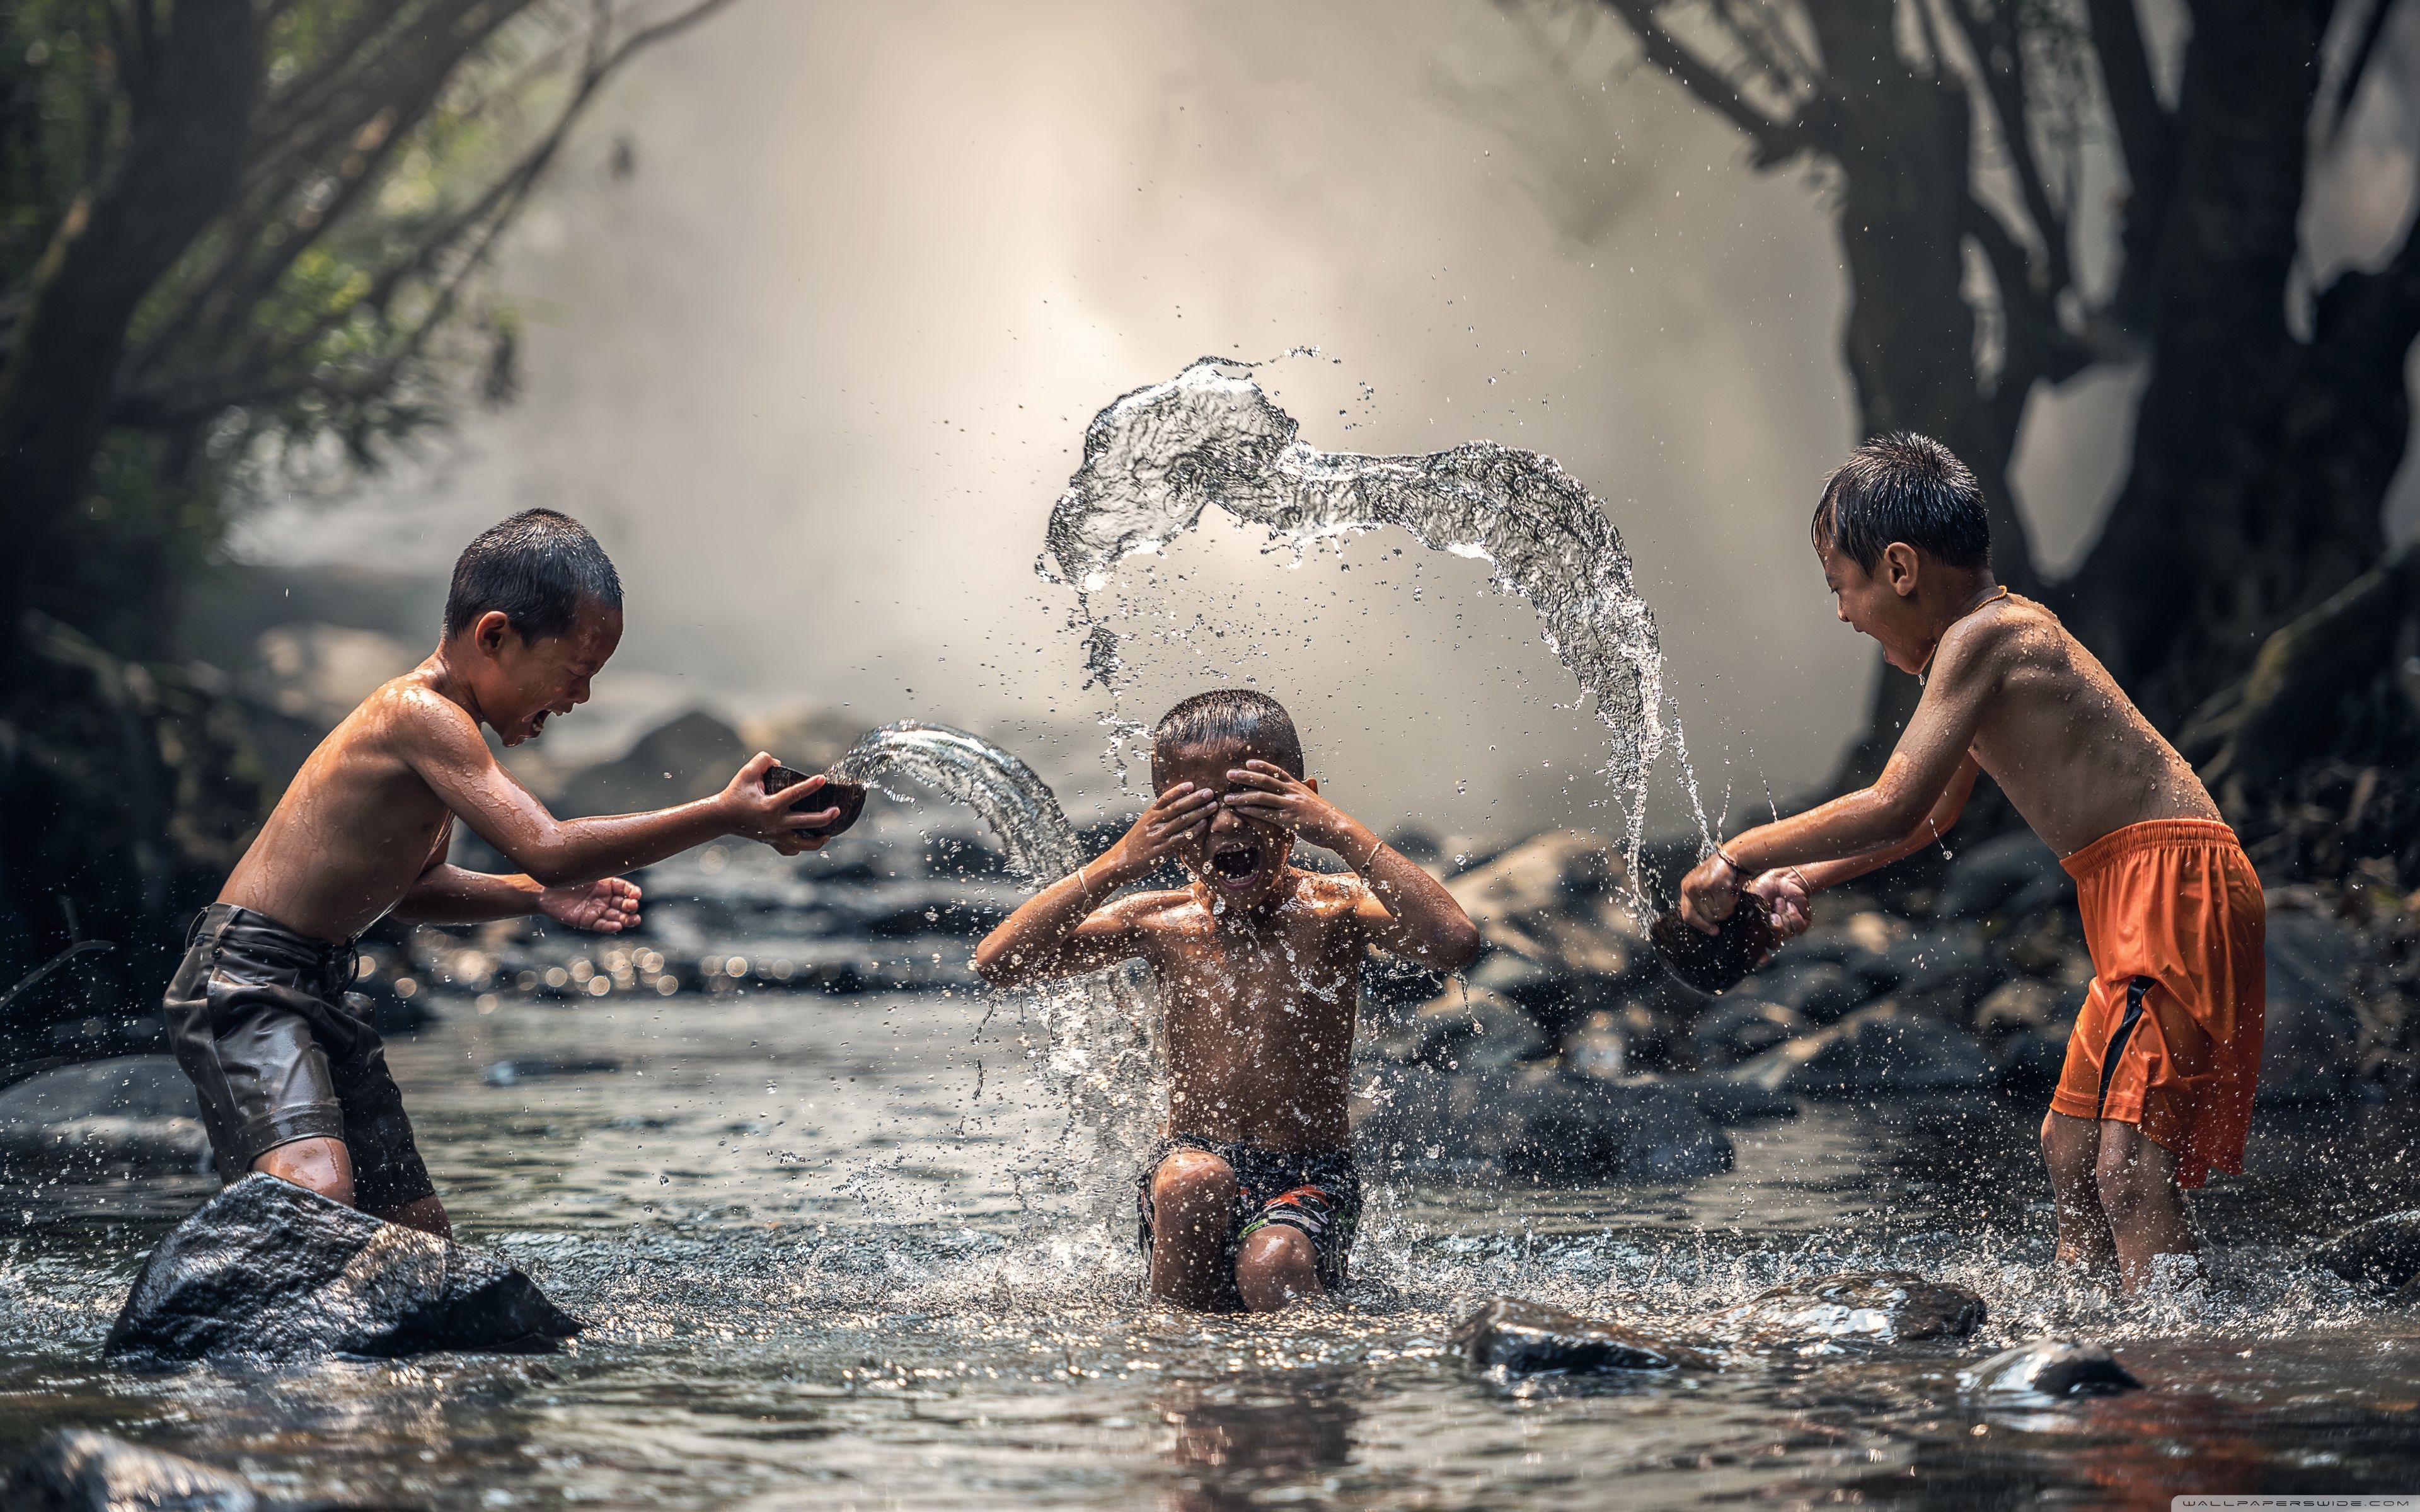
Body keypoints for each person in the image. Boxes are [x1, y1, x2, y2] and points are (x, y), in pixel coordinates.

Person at [1678, 435, 2265, 1293]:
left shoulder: (1990, 636)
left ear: (1902, 569)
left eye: (1843, 587)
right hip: (2138, 891)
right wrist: (1803, 879)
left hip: (2174, 889)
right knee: (2069, 1148)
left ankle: (2175, 1377)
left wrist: (1734, 856)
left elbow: (1893, 802)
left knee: (2128, 1167)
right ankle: (2088, 1336)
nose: (1843, 614)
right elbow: (1928, 823)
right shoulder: (1980, 650)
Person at [165, 510, 843, 1239]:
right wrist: (722, 814)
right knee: (317, 1187)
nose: (579, 699)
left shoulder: (447, 738)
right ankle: (199, 1317)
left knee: (417, 1236)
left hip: (320, 987)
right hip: (248, 980)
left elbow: (417, 892)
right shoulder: (417, 714)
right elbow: (548, 843)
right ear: (495, 637)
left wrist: (535, 898)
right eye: (575, 672)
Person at [974, 690, 1480, 1311]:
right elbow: (1000, 963)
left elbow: (1453, 942)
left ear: (1301, 802)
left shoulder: (1338, 910)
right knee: (1195, 1180)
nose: (1227, 827)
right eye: (1194, 810)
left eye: (1251, 799)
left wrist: (1341, 831)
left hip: (1311, 1178)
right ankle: (1174, 1365)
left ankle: (1294, 1394)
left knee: (1273, 1267)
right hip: (1186, 1171)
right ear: (1160, 820)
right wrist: (1119, 861)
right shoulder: (1159, 920)